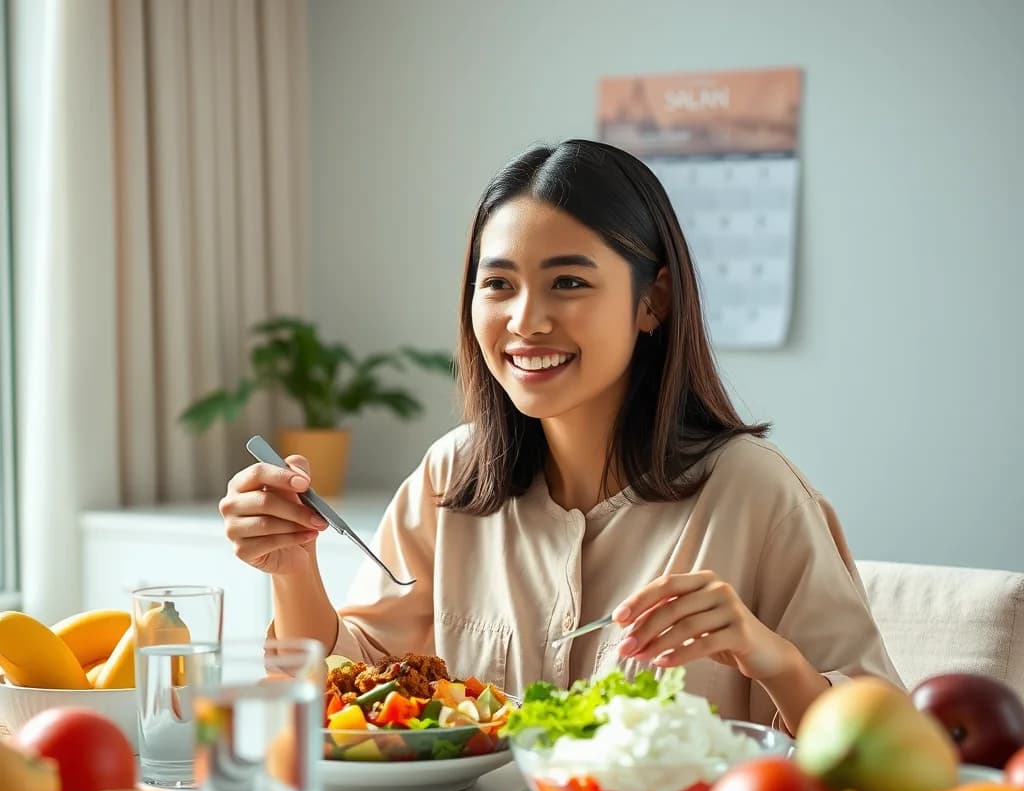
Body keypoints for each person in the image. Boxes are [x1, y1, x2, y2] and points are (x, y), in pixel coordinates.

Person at [218, 139, 899, 735]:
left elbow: (886, 745)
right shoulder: (452, 476)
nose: (527, 320)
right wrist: (293, 568)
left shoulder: (754, 492)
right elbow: (348, 692)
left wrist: (767, 654)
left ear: (653, 302)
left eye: (568, 282)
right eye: (499, 285)